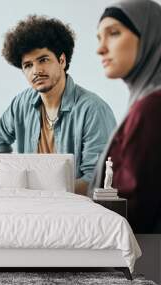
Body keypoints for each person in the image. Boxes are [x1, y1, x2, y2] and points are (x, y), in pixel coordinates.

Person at [0, 15, 116, 195]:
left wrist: (43, 192)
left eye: (43, 60)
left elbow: (96, 180)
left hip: (76, 211)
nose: (36, 71)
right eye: (28, 65)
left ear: (62, 60)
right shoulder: (21, 103)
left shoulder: (93, 109)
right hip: (31, 206)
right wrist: (11, 176)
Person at [93, 0, 161, 233]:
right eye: (99, 38)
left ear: (150, 36)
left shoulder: (152, 107)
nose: (100, 48)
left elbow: (136, 210)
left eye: (113, 33)